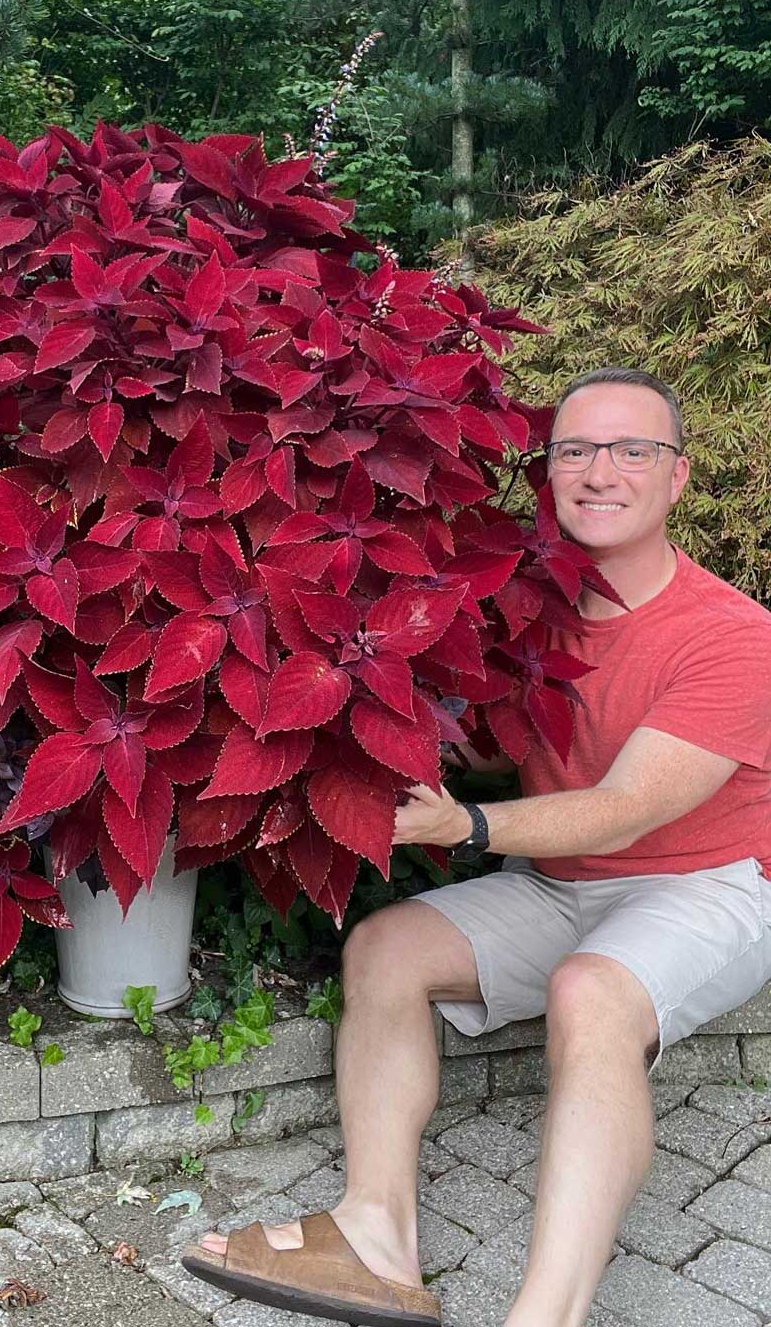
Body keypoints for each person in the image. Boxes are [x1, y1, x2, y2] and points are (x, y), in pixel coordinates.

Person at [182, 367, 771, 1327]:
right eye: (574, 450)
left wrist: (471, 827)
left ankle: (546, 1314)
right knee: (386, 949)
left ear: (679, 477)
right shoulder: (525, 620)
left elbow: (625, 811)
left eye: (633, 450)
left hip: (706, 886)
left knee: (594, 993)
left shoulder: (736, 636)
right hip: (557, 883)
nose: (599, 471)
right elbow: (481, 738)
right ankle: (377, 1234)